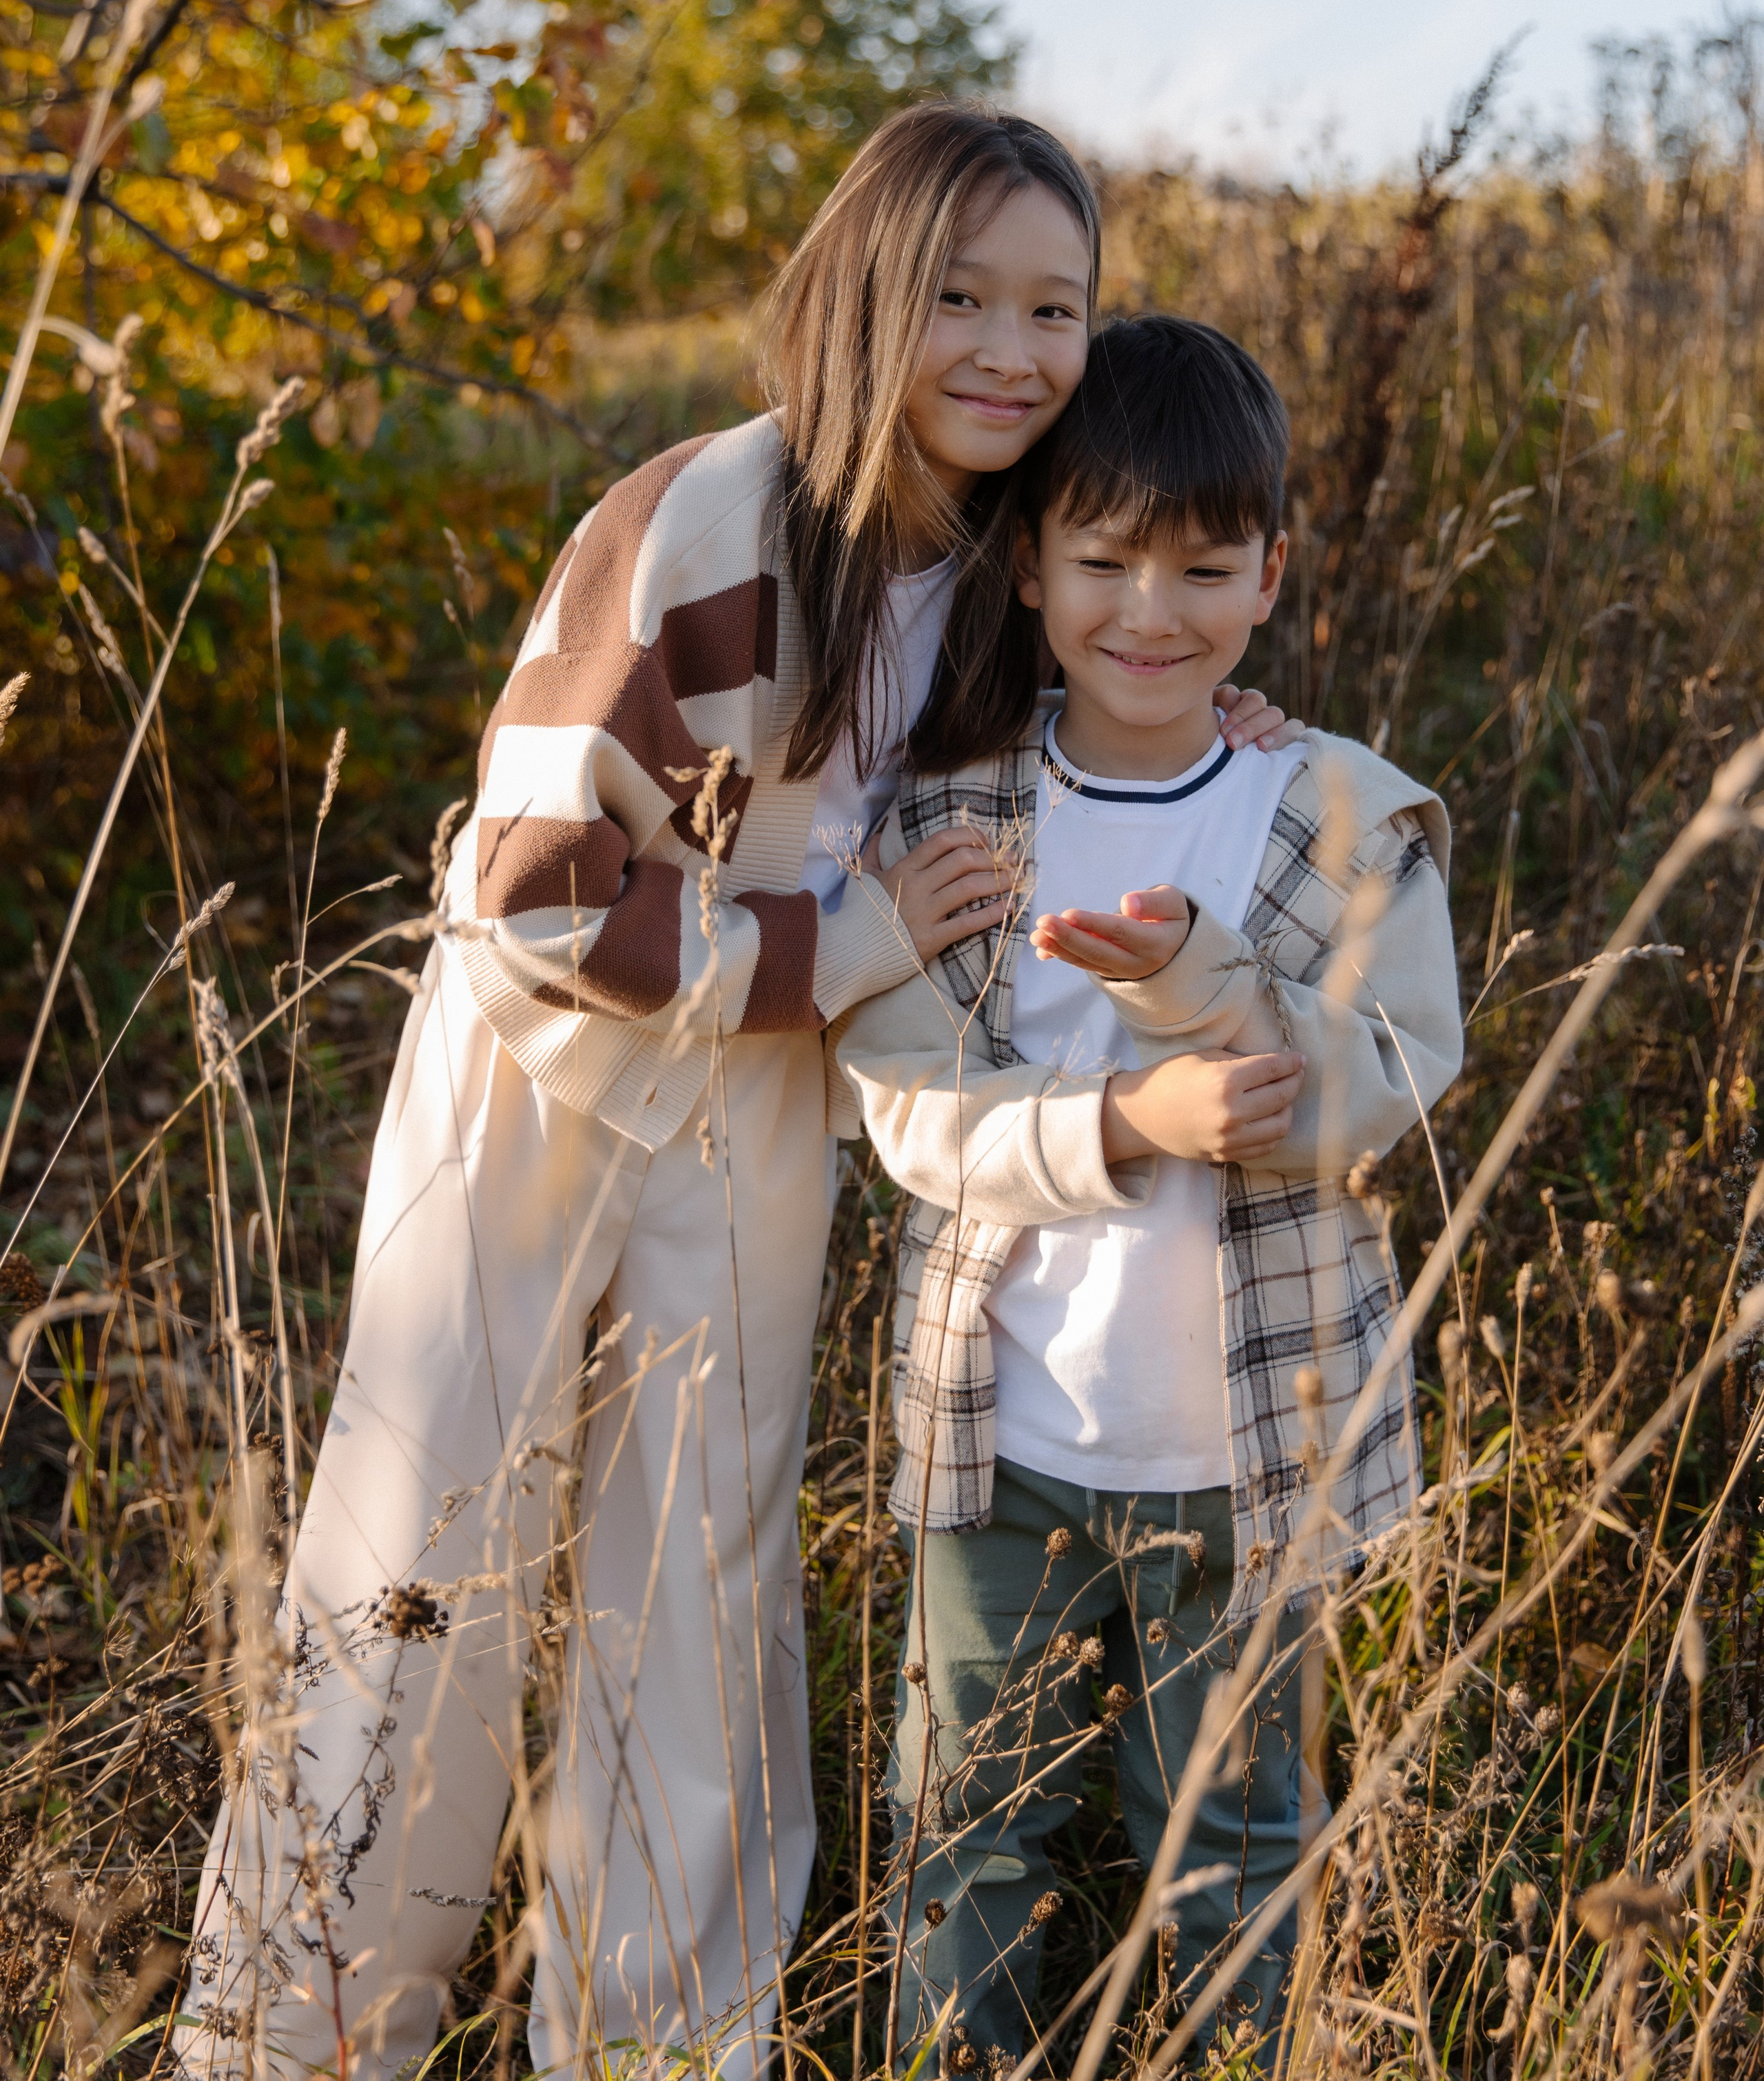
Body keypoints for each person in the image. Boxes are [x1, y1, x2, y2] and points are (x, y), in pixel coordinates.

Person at [178, 119, 1294, 2081]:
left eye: (1057, 306)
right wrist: (838, 936)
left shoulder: (993, 556)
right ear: (865, 287)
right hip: (537, 1088)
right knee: (424, 1553)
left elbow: (1108, 681)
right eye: (962, 294)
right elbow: (524, 895)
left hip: (758, 1110)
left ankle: (662, 2046)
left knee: (695, 1585)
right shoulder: (711, 517)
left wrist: (1219, 728)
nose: (1015, 350)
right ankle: (299, 2031)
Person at [832, 316, 1464, 2068]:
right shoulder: (956, 814)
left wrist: (1194, 991)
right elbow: (907, 1110)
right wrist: (1125, 1117)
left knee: (1239, 1856)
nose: (1149, 612)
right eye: (1100, 559)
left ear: (1270, 572)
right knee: (969, 1843)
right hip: (1001, 1451)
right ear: (1026, 568)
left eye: (1202, 567)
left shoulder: (1329, 808)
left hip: (1247, 1468)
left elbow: (1385, 1091)